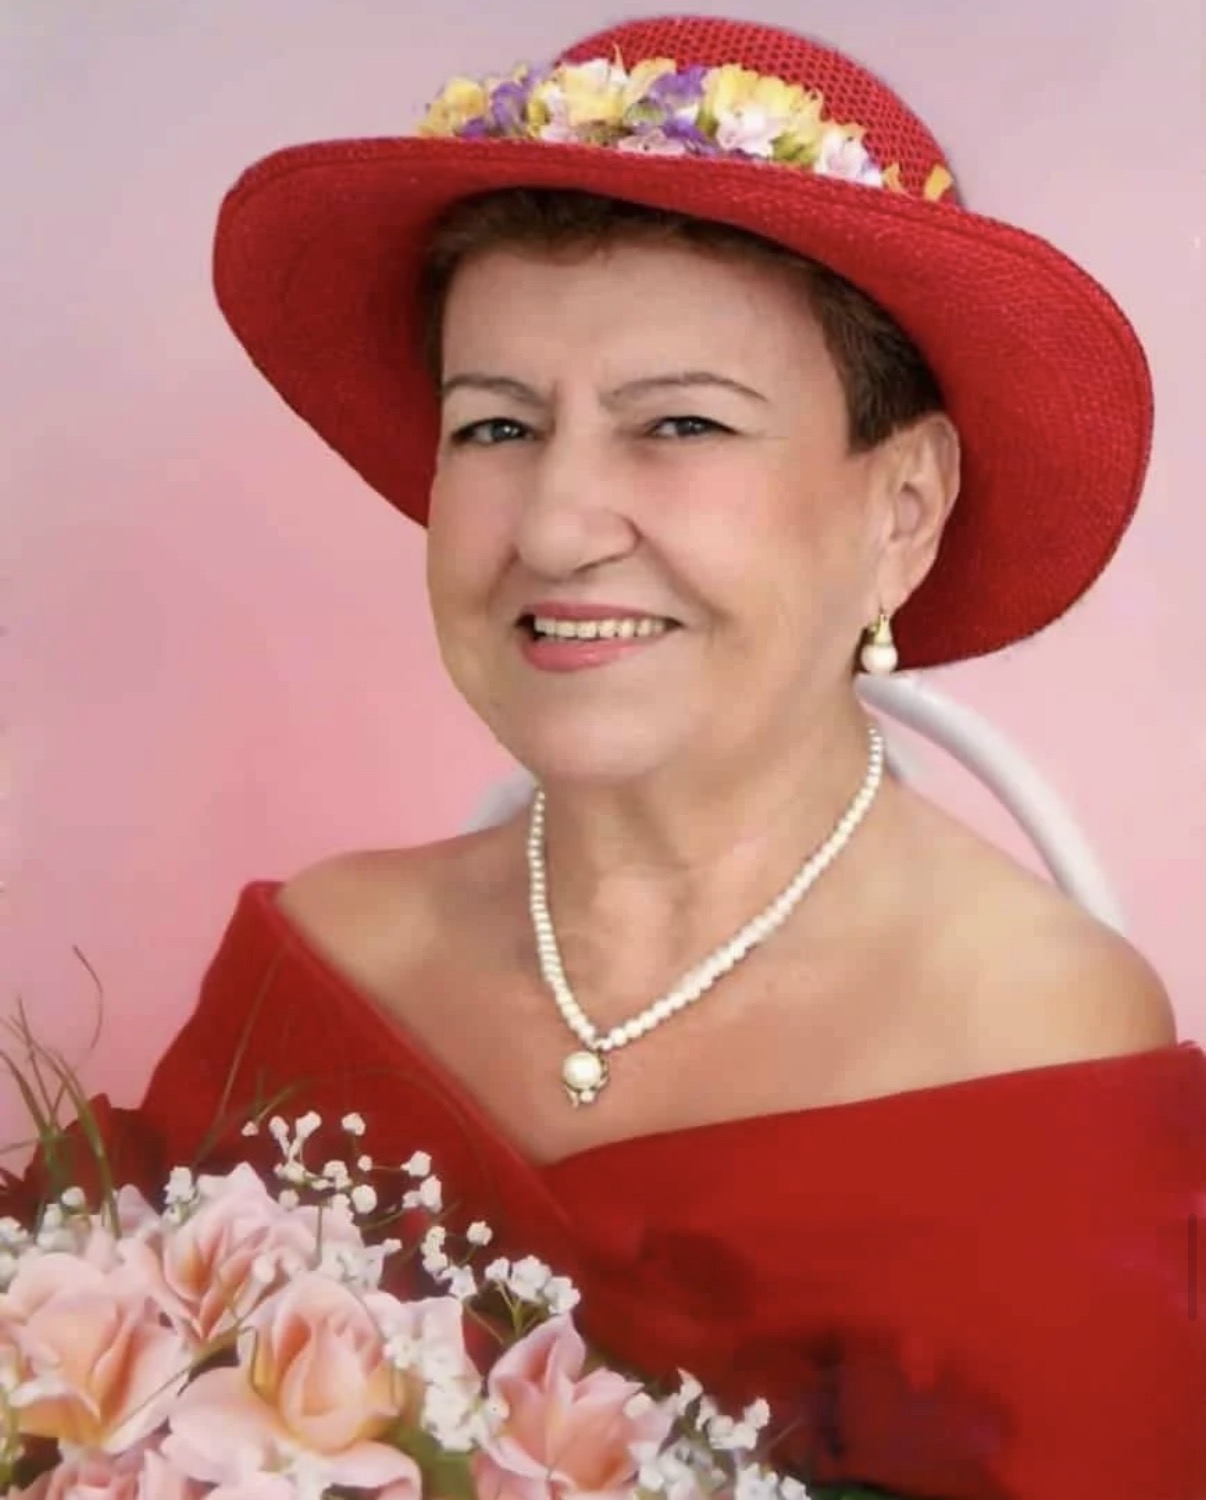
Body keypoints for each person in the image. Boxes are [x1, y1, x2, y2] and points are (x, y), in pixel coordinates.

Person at [137, 14, 1205, 1498]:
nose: (556, 525)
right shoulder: (321, 958)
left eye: (682, 423)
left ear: (901, 508)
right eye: (495, 426)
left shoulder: (1037, 1034)